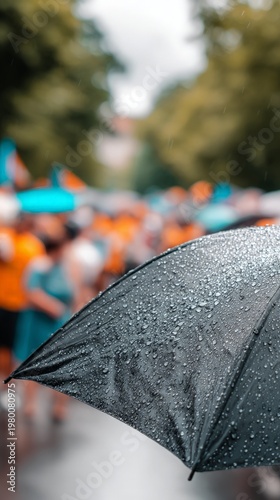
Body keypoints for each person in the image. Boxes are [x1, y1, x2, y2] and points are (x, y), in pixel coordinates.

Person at [14, 223, 75, 421]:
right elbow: (31, 292)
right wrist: (53, 307)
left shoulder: (66, 268)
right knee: (33, 360)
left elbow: (73, 292)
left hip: (59, 322)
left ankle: (59, 406)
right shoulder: (40, 265)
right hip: (38, 321)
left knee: (61, 363)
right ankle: (31, 404)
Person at [0, 214, 44, 408]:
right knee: (3, 348)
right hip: (2, 300)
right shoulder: (5, 236)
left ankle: (9, 388)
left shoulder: (33, 246)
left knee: (14, 349)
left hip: (20, 304)